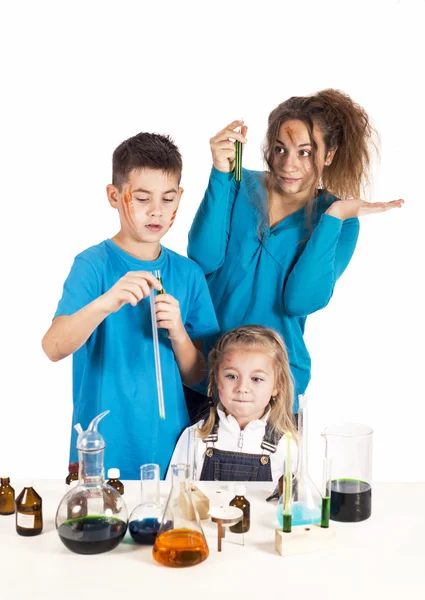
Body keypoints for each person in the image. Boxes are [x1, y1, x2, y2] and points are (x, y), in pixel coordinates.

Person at [186, 89, 404, 417]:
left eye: (305, 152)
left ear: (329, 154)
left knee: (272, 470)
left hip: (271, 387)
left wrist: (331, 219)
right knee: (185, 467)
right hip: (203, 371)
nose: (289, 165)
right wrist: (220, 173)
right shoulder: (238, 183)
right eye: (280, 149)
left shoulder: (340, 221)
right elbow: (203, 258)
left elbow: (300, 301)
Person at [42, 132, 219, 479]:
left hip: (174, 451)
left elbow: (199, 375)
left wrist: (180, 334)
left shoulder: (188, 273)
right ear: (114, 196)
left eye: (168, 199)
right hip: (100, 451)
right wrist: (106, 302)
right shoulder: (92, 265)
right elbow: (53, 347)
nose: (156, 211)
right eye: (141, 198)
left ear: (180, 198)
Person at [168, 325, 298, 482]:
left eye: (256, 379)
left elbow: (295, 502)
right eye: (231, 376)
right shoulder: (194, 437)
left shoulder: (287, 445)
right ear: (216, 379)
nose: (242, 388)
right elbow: (176, 496)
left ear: (277, 386)